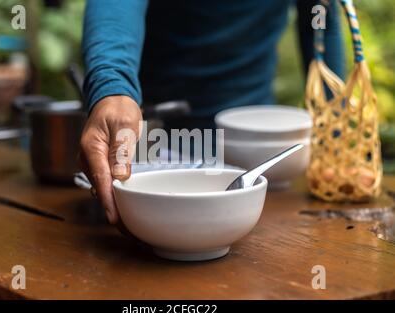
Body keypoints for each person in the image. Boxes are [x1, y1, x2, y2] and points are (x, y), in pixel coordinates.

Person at [79, 0, 344, 224]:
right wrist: (113, 89)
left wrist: (335, 134)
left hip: (254, 148)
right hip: (149, 139)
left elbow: (320, 22)